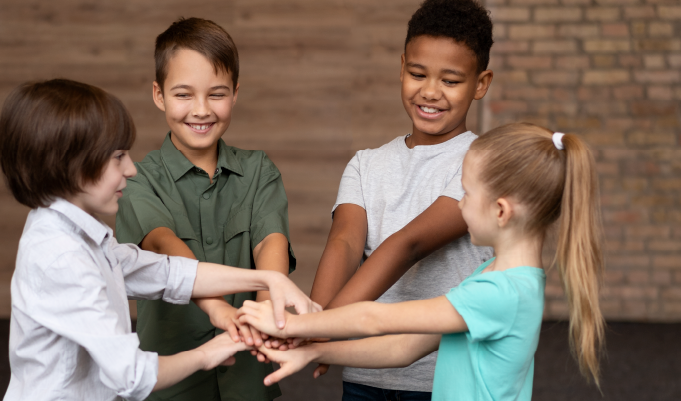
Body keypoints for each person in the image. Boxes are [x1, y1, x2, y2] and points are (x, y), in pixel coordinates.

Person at [0, 79, 319, 401]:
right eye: (118, 156)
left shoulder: (81, 237)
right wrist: (212, 351)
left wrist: (266, 279)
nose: (131, 169)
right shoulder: (61, 254)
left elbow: (167, 273)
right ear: (72, 165)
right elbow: (133, 375)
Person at [240, 123, 606, 401]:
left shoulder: (500, 293)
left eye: (466, 193)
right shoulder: (493, 276)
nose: (459, 203)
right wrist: (317, 349)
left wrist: (291, 325)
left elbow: (375, 317)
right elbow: (404, 348)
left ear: (500, 211)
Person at [307, 0, 494, 398]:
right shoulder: (365, 164)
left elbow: (408, 245)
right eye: (417, 73)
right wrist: (315, 319)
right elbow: (343, 243)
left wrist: (321, 330)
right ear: (402, 68)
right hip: (366, 372)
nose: (430, 91)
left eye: (451, 80)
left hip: (443, 379)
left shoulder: (484, 163)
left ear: (481, 84)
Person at [115, 17, 299, 401]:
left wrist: (268, 316)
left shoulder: (259, 170)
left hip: (250, 377)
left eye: (216, 94)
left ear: (235, 92)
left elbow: (271, 245)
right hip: (172, 380)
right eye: (184, 95)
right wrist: (217, 309)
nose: (201, 110)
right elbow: (164, 247)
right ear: (158, 94)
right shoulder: (138, 179)